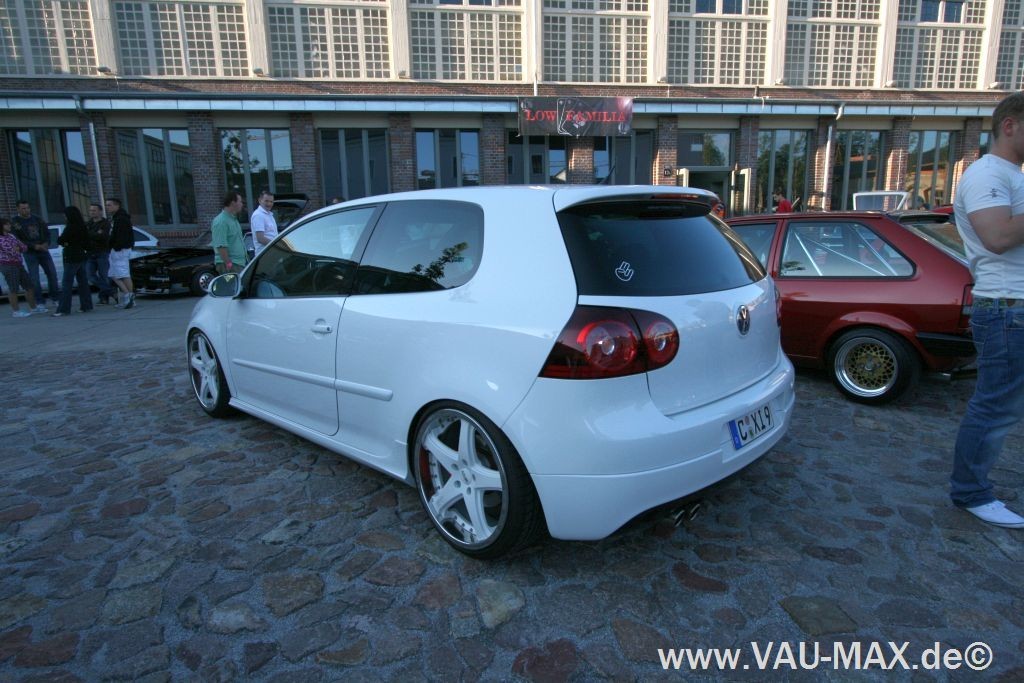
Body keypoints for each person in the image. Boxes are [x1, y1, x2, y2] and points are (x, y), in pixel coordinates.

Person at [949, 91, 1024, 529]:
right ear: (1010, 125)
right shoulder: (987, 174)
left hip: (1013, 308)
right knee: (996, 408)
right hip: (1008, 309)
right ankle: (971, 492)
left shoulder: (1011, 175)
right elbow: (997, 237)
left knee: (1005, 407)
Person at [11, 199, 58, 310]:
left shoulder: (37, 219)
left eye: (27, 208)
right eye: (23, 208)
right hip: (30, 252)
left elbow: (47, 233)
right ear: (18, 209)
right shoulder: (15, 222)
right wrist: (33, 246)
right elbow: (17, 239)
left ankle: (55, 297)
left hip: (43, 250)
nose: (26, 210)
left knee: (52, 273)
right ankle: (40, 301)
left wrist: (46, 243)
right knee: (34, 278)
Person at [53, 206, 94, 317]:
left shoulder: (70, 227)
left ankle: (63, 308)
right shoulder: (82, 226)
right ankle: (86, 305)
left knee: (67, 283)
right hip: (81, 255)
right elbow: (87, 243)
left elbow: (60, 240)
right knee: (83, 282)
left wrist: (66, 243)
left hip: (71, 256)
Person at [0, 217, 39, 317]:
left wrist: (18, 248)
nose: (9, 226)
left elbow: (24, 247)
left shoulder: (11, 236)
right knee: (13, 288)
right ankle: (16, 311)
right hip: (8, 265)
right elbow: (11, 252)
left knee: (29, 286)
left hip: (18, 264)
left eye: (9, 224)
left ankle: (33, 308)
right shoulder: (1, 239)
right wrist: (17, 249)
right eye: (6, 224)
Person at [106, 198, 136, 309]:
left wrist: (117, 246)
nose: (107, 207)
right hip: (115, 249)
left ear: (117, 205)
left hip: (121, 250)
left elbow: (122, 235)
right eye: (107, 205)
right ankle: (128, 294)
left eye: (109, 205)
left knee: (123, 274)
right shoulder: (116, 218)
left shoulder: (121, 219)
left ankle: (129, 296)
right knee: (113, 274)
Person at [85, 203, 114, 305]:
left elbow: (102, 237)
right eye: (90, 210)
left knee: (104, 276)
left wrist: (90, 234)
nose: (92, 212)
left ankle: (104, 298)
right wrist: (95, 234)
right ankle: (111, 291)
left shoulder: (105, 223)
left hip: (102, 252)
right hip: (90, 253)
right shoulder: (88, 224)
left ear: (100, 211)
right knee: (90, 276)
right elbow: (85, 235)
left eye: (94, 210)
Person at [212, 191, 247, 274]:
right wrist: (229, 264)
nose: (242, 204)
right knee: (233, 283)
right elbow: (221, 246)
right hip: (231, 265)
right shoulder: (221, 221)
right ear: (233, 203)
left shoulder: (233, 219)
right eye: (240, 202)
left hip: (238, 263)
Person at [250, 190, 277, 256]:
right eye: (266, 201)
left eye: (271, 202)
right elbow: (260, 238)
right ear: (259, 200)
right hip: (264, 255)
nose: (269, 204)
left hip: (271, 253)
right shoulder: (258, 215)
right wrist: (277, 245)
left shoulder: (269, 215)